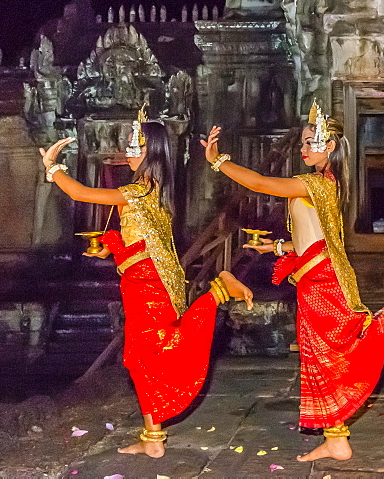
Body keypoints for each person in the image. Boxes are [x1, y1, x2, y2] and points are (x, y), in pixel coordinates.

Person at [201, 100, 384, 462]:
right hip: (316, 276)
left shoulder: (313, 183)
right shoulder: (327, 182)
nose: (302, 148)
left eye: (310, 141)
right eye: (302, 142)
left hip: (322, 281)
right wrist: (276, 246)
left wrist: (219, 161)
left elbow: (262, 182)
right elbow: (315, 237)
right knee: (322, 356)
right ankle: (336, 437)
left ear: (328, 146)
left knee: (337, 353)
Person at [40, 115, 253, 458]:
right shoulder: (156, 191)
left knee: (150, 353)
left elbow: (81, 193)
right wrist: (112, 243)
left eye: (134, 145)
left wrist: (53, 168)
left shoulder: (139, 191)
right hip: (147, 282)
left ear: (150, 151)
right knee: (142, 358)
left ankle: (218, 289)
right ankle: (152, 439)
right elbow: (142, 241)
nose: (128, 150)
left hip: (148, 287)